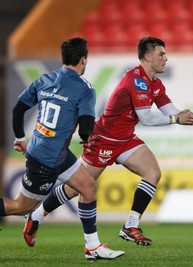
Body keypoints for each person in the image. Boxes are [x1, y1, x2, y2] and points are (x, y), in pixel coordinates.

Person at [24, 36, 193, 247]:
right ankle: (37, 215)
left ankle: (130, 226)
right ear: (147, 56)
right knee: (76, 188)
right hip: (104, 139)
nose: (165, 58)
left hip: (125, 139)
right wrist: (176, 119)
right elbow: (147, 119)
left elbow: (171, 112)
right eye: (161, 54)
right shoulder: (135, 80)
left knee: (153, 173)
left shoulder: (155, 83)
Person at [0, 37, 124, 261]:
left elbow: (18, 110)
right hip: (47, 160)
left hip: (50, 151)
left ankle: (92, 247)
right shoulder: (84, 88)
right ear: (83, 60)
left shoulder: (45, 79)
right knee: (19, 206)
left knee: (87, 187)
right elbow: (86, 127)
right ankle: (32, 217)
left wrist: (19, 138)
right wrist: (87, 139)